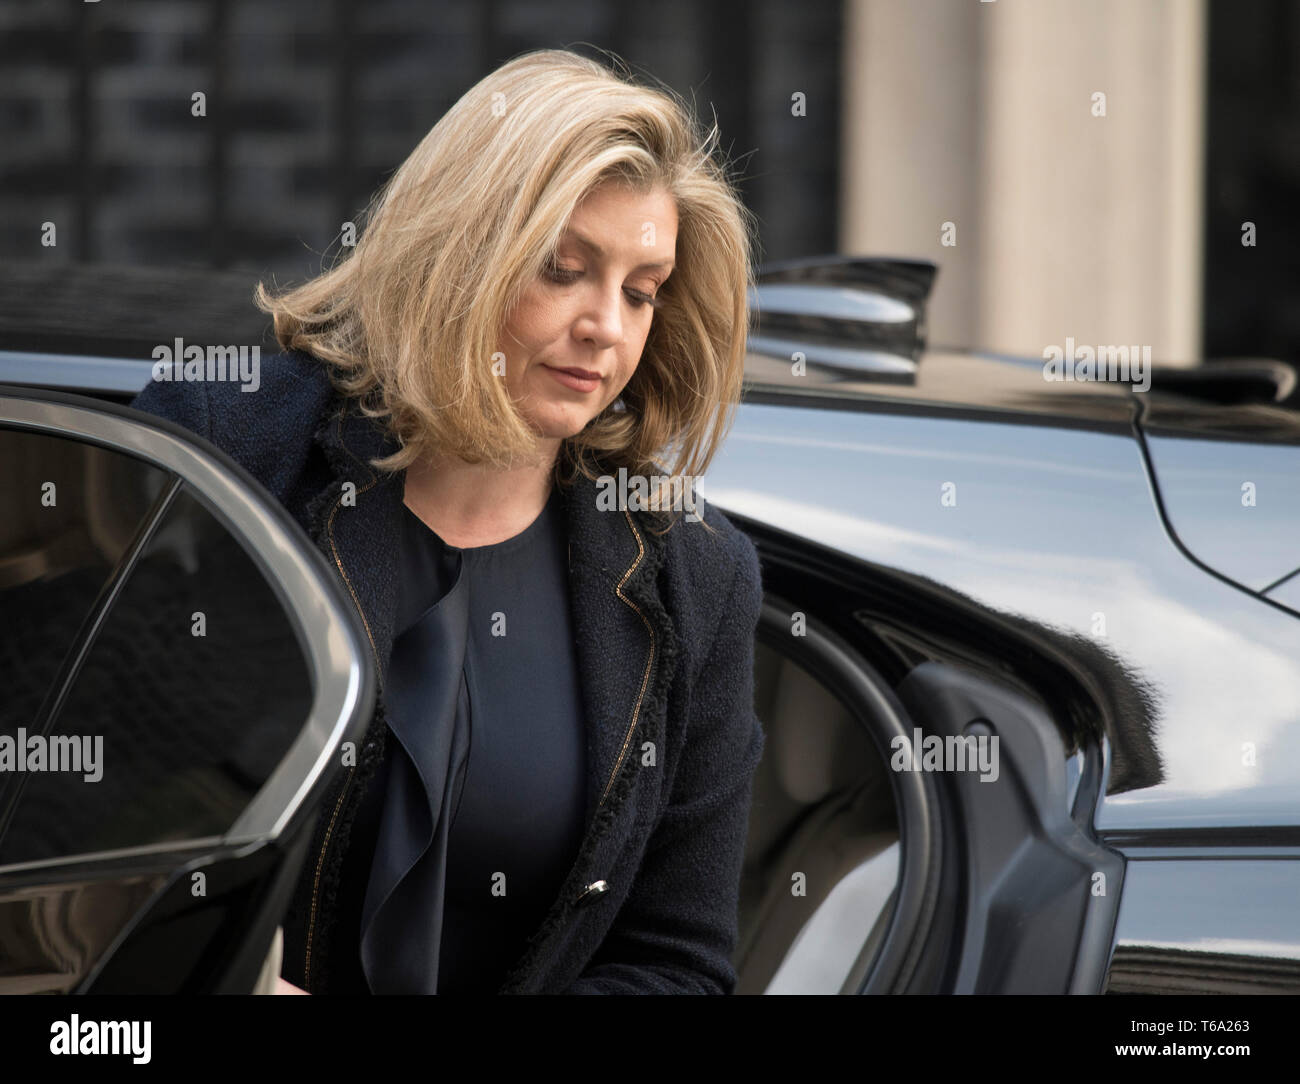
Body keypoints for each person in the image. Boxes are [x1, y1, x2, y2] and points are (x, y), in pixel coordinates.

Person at [131, 47, 765, 994]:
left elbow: (675, 963)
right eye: (563, 269)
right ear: (462, 253)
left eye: (641, 291)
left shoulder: (693, 574)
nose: (607, 325)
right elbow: (91, 818)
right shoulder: (230, 444)